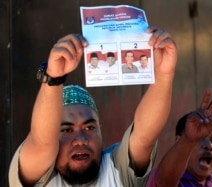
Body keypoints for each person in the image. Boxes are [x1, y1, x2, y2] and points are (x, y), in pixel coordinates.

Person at [9, 25, 178, 187]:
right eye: (67, 130)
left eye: (89, 127)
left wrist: (164, 76)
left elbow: (144, 137)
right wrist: (53, 78)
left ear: (100, 130)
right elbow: (42, 144)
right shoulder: (39, 178)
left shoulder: (116, 169)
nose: (81, 140)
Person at [147, 88, 212, 187]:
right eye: (199, 139)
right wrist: (188, 139)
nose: (209, 146)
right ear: (178, 141)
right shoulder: (165, 176)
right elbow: (164, 182)